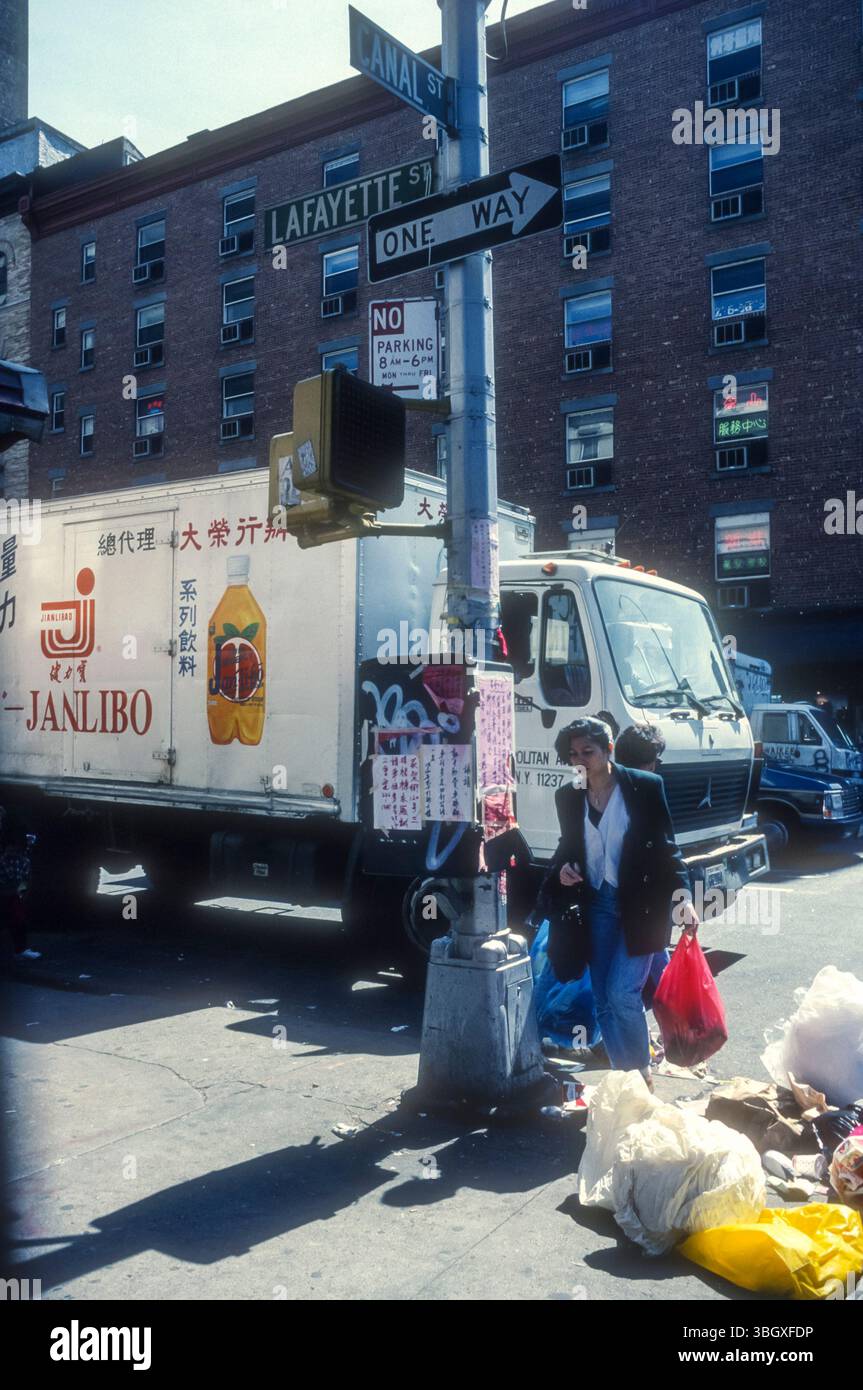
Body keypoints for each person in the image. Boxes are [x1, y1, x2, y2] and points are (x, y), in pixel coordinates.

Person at [540, 717, 698, 1088]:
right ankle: (623, 1078)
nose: (580, 759)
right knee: (602, 999)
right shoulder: (569, 795)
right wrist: (565, 869)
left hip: (642, 908)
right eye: (573, 754)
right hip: (595, 906)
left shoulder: (644, 787)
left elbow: (667, 849)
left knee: (621, 991)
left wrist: (683, 898)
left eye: (588, 752)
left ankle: (641, 1075)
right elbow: (569, 847)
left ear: (608, 750)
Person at [613, 724, 671, 1010]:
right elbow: (667, 849)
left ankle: (681, 1028)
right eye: (656, 761)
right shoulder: (647, 790)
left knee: (656, 966)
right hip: (637, 907)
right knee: (631, 987)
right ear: (647, 764)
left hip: (636, 908)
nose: (658, 768)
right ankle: (682, 1029)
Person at [0, 806, 40, 961]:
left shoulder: (22, 858)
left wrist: (20, 892)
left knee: (18, 919)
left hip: (13, 888)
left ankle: (20, 949)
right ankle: (19, 949)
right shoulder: (8, 857)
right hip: (7, 886)